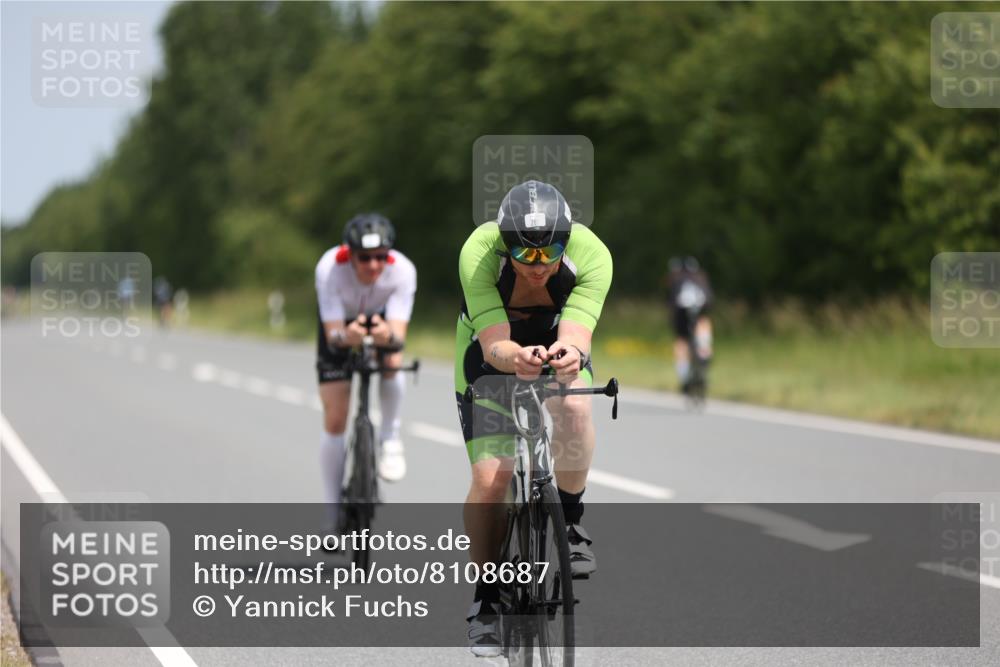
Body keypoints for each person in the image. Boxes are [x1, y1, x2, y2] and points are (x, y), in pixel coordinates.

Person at [455, 180, 612, 657]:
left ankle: (571, 522)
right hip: (489, 352)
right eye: (526, 254)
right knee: (492, 477)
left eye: (551, 252)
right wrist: (515, 358)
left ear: (567, 241)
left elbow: (577, 334)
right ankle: (486, 599)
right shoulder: (480, 253)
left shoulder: (592, 254)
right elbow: (494, 346)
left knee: (575, 405)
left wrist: (571, 354)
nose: (539, 265)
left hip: (555, 337)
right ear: (507, 245)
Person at [314, 213, 417, 531]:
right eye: (364, 258)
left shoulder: (403, 271)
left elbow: (398, 337)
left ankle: (390, 437)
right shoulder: (329, 268)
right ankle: (332, 514)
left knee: (392, 362)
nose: (373, 265)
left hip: (383, 320)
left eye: (380, 257)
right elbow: (333, 335)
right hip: (341, 325)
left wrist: (385, 336)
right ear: (350, 255)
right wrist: (348, 337)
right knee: (335, 418)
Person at [666, 256, 713, 392]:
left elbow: (671, 305)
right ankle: (704, 350)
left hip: (681, 311)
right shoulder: (701, 278)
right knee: (704, 322)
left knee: (681, 341)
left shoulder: (675, 279)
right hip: (701, 308)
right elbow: (710, 300)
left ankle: (684, 377)